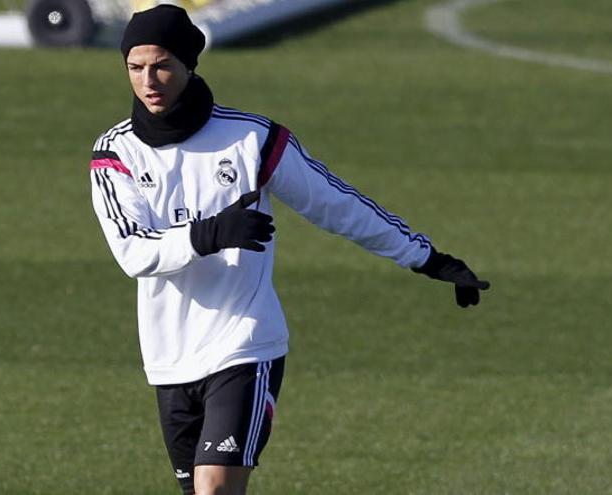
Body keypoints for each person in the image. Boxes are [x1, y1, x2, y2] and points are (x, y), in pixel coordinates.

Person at [89, 5, 490, 494]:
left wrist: (427, 257)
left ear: (191, 63)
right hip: (169, 356)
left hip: (244, 343)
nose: (149, 79)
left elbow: (336, 204)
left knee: (215, 489)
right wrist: (210, 233)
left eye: (162, 64)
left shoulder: (253, 139)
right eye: (136, 67)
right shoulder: (115, 154)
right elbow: (132, 251)